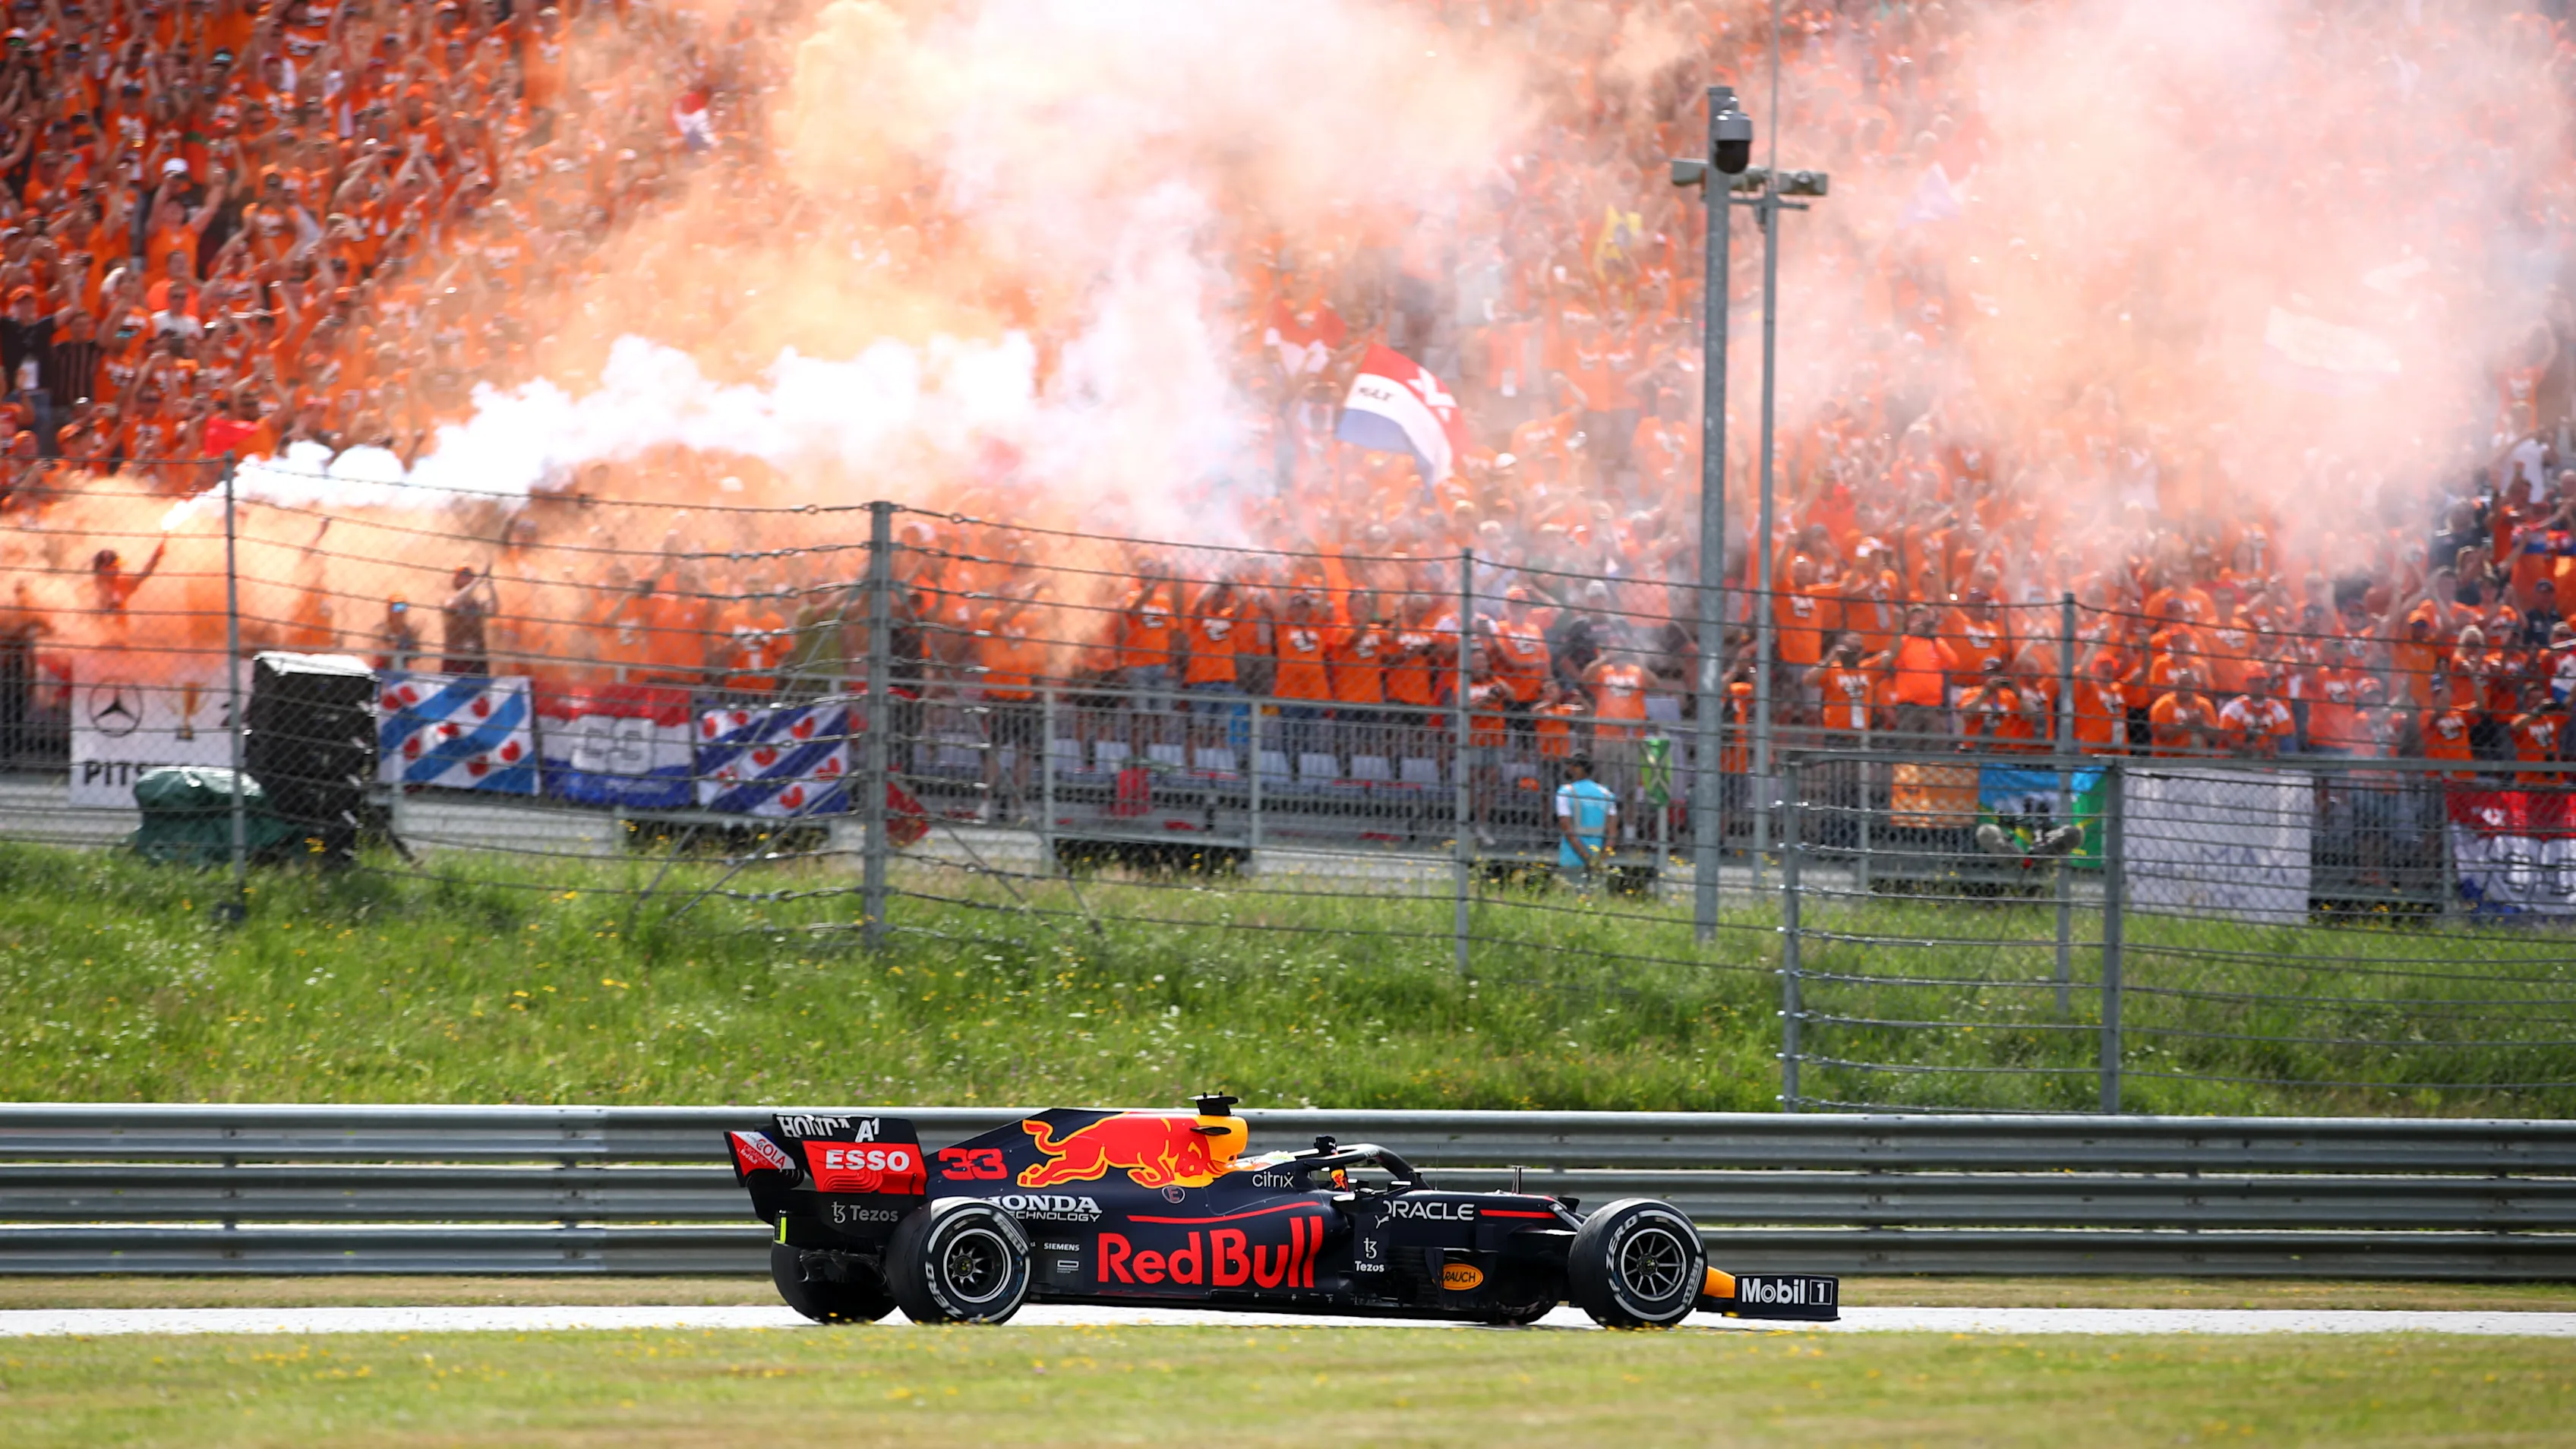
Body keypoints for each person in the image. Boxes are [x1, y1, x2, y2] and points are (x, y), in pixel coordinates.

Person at [1554, 751, 1618, 892]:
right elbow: (1612, 833)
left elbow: (1568, 830)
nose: (1568, 769)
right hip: (1599, 856)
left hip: (1572, 856)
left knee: (1571, 900)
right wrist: (1600, 859)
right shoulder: (1607, 794)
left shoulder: (1565, 792)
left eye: (1571, 765)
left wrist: (1586, 857)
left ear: (1578, 768)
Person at [441, 564, 499, 677]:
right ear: (455, 580)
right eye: (463, 575)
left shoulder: (477, 604)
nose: (467, 578)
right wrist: (477, 581)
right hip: (456, 658)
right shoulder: (449, 600)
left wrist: (490, 585)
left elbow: (494, 610)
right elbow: (454, 603)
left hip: (477, 659)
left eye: (469, 575)